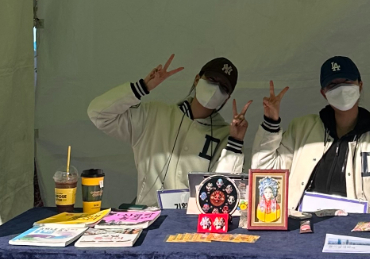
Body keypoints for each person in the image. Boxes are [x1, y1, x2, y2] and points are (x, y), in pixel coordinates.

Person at [251, 56, 370, 213]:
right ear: (323, 93)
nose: (341, 89)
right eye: (333, 85)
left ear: (360, 85)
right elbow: (266, 175)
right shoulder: (302, 129)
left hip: (358, 231)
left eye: (347, 81)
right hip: (302, 227)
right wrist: (270, 123)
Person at [88, 54, 250, 205]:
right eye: (212, 79)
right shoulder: (154, 114)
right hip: (149, 216)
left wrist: (235, 142)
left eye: (223, 87)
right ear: (197, 79)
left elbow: (223, 193)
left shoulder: (226, 135)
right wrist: (142, 87)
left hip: (195, 220)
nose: (215, 88)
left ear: (227, 98)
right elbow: (98, 114)